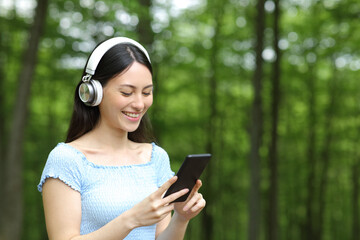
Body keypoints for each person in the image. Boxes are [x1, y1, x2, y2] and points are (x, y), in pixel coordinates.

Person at [37, 37, 206, 240]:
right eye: (127, 92)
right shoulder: (66, 160)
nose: (139, 104)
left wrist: (181, 218)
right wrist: (132, 219)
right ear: (93, 93)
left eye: (147, 92)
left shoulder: (156, 158)